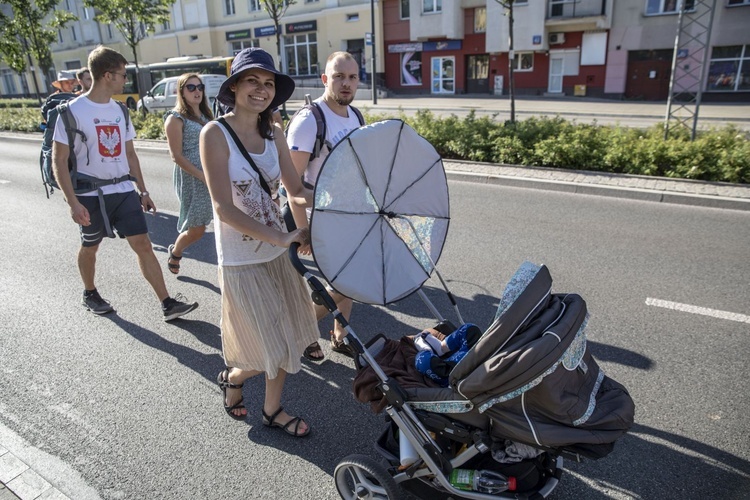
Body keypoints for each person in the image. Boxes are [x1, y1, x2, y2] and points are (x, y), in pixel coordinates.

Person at [201, 47, 341, 435]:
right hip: (242, 258)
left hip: (279, 253)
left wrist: (328, 210)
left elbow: (295, 189)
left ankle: (272, 410)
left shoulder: (274, 133)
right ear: (235, 87)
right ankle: (234, 377)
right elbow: (224, 209)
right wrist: (282, 236)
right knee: (271, 346)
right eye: (252, 81)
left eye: (268, 83)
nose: (261, 90)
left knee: (290, 340)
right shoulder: (215, 134)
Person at [51, 45, 199, 321]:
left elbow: (130, 153)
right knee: (90, 246)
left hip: (122, 190)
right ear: (107, 75)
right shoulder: (71, 112)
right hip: (89, 194)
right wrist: (72, 202)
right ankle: (90, 292)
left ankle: (167, 303)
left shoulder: (120, 110)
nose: (125, 80)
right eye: (122, 74)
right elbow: (59, 161)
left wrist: (143, 190)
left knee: (143, 243)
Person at [285, 51, 363, 360]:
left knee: (344, 280)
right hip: (323, 219)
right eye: (339, 77)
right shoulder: (310, 120)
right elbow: (291, 185)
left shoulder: (355, 116)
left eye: (352, 77)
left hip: (353, 215)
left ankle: (340, 335)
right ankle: (299, 328)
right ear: (324, 79)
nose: (346, 84)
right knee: (349, 282)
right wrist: (304, 229)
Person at [164, 74, 214, 275]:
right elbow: (176, 156)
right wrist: (202, 176)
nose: (197, 91)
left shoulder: (206, 116)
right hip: (194, 178)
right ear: (181, 92)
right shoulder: (175, 119)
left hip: (214, 174)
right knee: (197, 228)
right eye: (191, 87)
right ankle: (175, 252)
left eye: (200, 87)